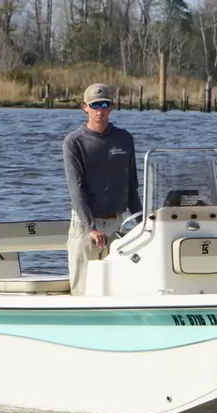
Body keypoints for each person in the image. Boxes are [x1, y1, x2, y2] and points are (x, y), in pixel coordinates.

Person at [62, 82, 143, 296]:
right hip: (85, 225)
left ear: (111, 107)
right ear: (85, 107)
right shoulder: (74, 142)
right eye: (95, 105)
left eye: (105, 104)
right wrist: (91, 227)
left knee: (116, 288)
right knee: (84, 289)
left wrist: (143, 225)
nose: (100, 110)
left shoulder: (124, 139)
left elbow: (132, 186)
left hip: (117, 223)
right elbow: (76, 189)